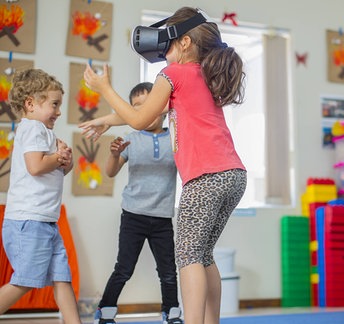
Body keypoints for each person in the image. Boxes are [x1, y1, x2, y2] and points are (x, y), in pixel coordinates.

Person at [79, 7, 247, 324]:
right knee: (203, 254)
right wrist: (105, 121)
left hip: (206, 177)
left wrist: (105, 90)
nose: (162, 52)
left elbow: (141, 118)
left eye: (166, 44)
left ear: (183, 43)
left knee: (187, 256)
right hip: (233, 176)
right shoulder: (201, 75)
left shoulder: (172, 74)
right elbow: (149, 114)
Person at [92, 82, 182, 324]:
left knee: (168, 272)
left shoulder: (175, 138)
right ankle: (106, 312)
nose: (143, 112)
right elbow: (110, 173)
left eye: (148, 105)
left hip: (162, 218)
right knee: (124, 268)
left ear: (160, 106)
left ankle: (171, 312)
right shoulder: (130, 138)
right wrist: (113, 155)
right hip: (133, 215)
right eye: (136, 108)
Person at [0, 69, 78, 322]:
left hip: (45, 222)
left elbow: (52, 171)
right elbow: (35, 166)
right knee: (25, 280)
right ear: (30, 104)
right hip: (28, 222)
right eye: (54, 104)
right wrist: (57, 158)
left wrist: (65, 161)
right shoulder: (32, 128)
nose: (58, 111)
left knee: (62, 277)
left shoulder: (46, 133)